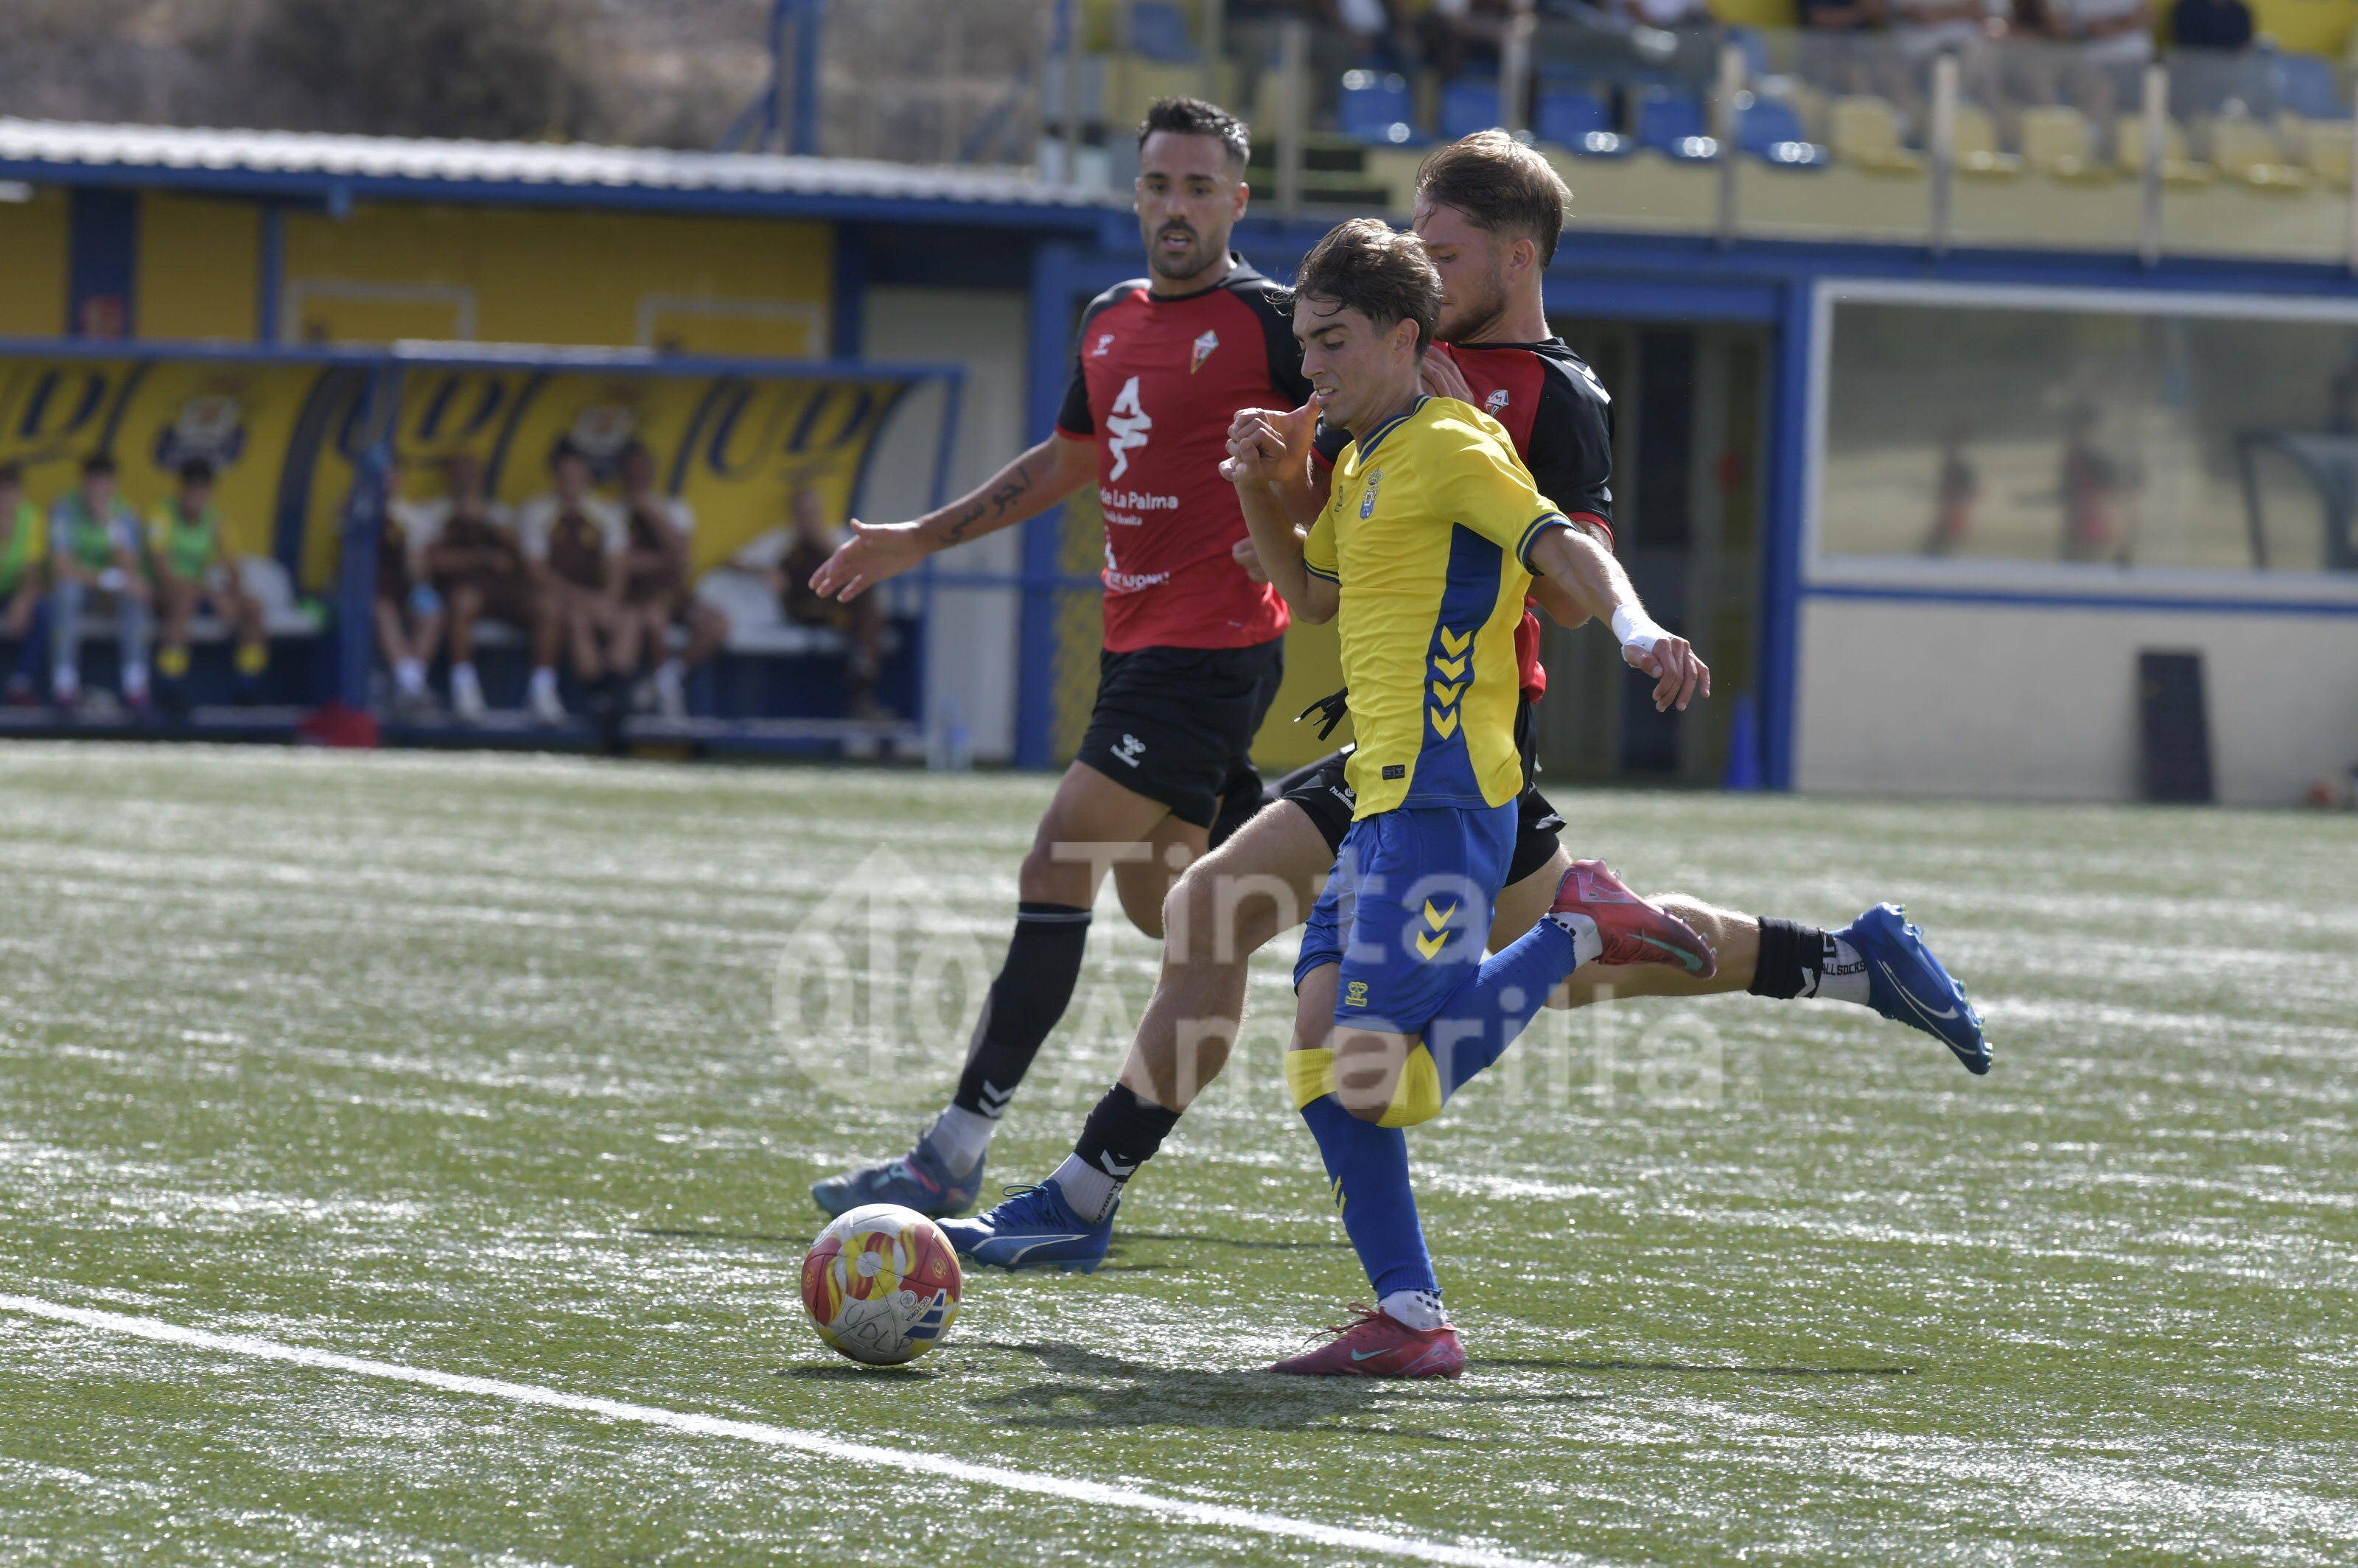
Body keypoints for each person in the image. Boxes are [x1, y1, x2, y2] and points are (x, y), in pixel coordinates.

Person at [938, 137, 1992, 1364]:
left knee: (1460, 1011)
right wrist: (1274, 490)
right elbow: (1322, 581)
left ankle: (1784, 955)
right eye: (1416, 257)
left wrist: (1639, 629)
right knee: (1252, 952)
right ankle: (1158, 1219)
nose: (1425, 277)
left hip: (1468, 742)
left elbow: (1567, 552)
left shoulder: (1525, 401)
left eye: (1444, 257)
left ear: (1514, 255)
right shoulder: (1383, 401)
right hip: (1383, 749)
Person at [805, 97, 1328, 1219]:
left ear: (1238, 200)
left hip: (1214, 649)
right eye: (1157, 186)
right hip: (1138, 649)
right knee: (1176, 910)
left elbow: (1356, 442)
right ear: (1134, 194)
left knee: (1056, 865)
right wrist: (914, 539)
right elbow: (1064, 463)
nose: (1175, 207)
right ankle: (1345, 890)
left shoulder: (1279, 323)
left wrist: (1301, 528)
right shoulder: (1108, 316)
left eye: (1199, 188)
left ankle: (953, 1149)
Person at [516, 443, 634, 725]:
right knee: (574, 616)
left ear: (588, 476)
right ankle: (593, 695)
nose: (570, 480)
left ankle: (615, 691)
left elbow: (617, 566)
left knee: (629, 620)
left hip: (595, 598)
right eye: (564, 474)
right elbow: (537, 571)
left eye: (576, 474)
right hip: (555, 598)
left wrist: (609, 599)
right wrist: (585, 600)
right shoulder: (536, 510)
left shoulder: (606, 512)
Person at [617, 442, 726, 720]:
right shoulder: (612, 512)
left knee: (717, 624)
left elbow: (684, 559)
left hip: (674, 594)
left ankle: (666, 679)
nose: (638, 477)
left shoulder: (673, 508)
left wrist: (650, 513)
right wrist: (665, 559)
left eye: (644, 471)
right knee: (654, 618)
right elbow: (623, 563)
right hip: (633, 598)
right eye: (632, 472)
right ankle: (658, 701)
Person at [149, 457, 268, 711]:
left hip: (200, 593)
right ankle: (171, 687)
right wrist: (212, 595)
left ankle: (247, 688)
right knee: (183, 600)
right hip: (163, 594)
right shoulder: (162, 514)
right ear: (181, 488)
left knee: (255, 607)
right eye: (191, 487)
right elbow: (163, 572)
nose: (196, 494)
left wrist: (231, 592)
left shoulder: (217, 520)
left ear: (210, 492)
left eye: (202, 488)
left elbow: (234, 568)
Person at [424, 452, 531, 724]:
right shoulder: (435, 511)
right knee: (465, 601)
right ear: (449, 477)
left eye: (471, 473)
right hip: (458, 591)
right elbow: (433, 562)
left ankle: (544, 691)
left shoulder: (497, 511)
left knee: (549, 609)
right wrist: (480, 555)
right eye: (459, 473)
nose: (465, 480)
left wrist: (485, 520)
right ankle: (465, 689)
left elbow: (522, 554)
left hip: (502, 592)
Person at [772, 488, 889, 720]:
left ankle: (862, 673)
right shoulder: (782, 542)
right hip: (804, 610)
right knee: (870, 618)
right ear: (793, 514)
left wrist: (823, 543)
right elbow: (734, 561)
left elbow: (857, 567)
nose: (807, 519)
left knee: (867, 600)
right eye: (802, 513)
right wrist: (764, 571)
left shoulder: (834, 537)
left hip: (837, 610)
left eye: (812, 513)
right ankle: (862, 679)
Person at [47, 454, 152, 713]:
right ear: (83, 480)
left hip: (108, 591)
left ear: (115, 483)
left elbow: (131, 569)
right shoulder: (64, 508)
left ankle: (135, 687)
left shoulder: (124, 513)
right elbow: (62, 568)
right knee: (67, 594)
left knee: (136, 594)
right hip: (80, 587)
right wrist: (108, 579)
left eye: (105, 480)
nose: (99, 487)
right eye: (94, 479)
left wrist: (110, 525)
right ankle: (64, 687)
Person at [377, 452, 447, 715]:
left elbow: (417, 564)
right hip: (367, 590)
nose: (387, 480)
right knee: (384, 610)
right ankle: (412, 687)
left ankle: (409, 686)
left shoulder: (410, 515)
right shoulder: (354, 508)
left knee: (431, 612)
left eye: (392, 473)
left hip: (400, 587)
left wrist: (418, 586)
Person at [0, 463, 49, 704]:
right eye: (1, 492)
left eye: (11, 492)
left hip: (11, 590)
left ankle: (22, 683)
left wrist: (22, 599)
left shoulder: (31, 516)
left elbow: (32, 570)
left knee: (42, 611)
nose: (5, 499)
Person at [2170, 0, 2251, 49]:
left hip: (2232, 70)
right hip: (2196, 69)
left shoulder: (2240, 12)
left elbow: (2244, 45)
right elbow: (2189, 48)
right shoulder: (2188, 8)